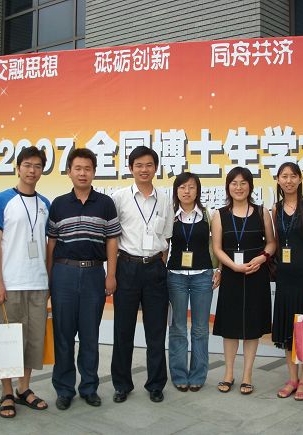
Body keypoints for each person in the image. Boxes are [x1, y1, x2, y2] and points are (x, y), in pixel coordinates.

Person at [47, 148, 121, 410]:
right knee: (63, 335)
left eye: (87, 168)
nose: (82, 173)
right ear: (69, 171)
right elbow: (51, 244)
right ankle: (64, 389)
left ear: (94, 172)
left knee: (90, 335)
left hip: (93, 274)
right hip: (63, 274)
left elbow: (112, 241)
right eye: (77, 168)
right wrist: (49, 278)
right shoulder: (58, 204)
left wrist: (111, 275)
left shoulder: (105, 203)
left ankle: (89, 387)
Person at [0, 146, 51, 418]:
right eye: (27, 165)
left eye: (37, 166)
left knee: (33, 340)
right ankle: (6, 392)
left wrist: (48, 279)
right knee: (7, 340)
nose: (32, 170)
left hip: (37, 283)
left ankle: (24, 389)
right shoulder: (2, 200)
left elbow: (48, 245)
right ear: (18, 168)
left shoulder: (45, 204)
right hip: (10, 283)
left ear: (42, 170)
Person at [110, 146, 174, 404]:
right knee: (122, 330)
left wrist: (158, 262)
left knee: (156, 332)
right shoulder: (119, 198)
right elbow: (112, 237)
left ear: (155, 168)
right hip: (127, 267)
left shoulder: (165, 198)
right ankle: (121, 385)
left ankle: (156, 384)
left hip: (155, 268)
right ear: (130, 168)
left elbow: (166, 236)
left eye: (149, 165)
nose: (144, 170)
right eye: (138, 165)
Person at [211, 166, 276, 395]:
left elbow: (271, 243)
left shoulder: (261, 212)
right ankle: (228, 373)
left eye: (243, 183)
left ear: (250, 186)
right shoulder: (219, 214)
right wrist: (232, 266)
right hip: (232, 275)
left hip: (256, 274)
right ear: (228, 187)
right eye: (234, 183)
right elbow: (217, 248)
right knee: (230, 327)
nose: (238, 187)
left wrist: (262, 257)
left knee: (252, 327)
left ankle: (247, 375)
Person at [271, 162, 303, 401]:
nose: (289, 180)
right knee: (287, 330)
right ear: (278, 180)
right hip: (285, 279)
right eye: (284, 176)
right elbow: (275, 242)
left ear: (300, 179)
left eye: (293, 176)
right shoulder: (276, 209)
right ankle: (292, 378)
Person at [167, 172, 221, 392]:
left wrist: (219, 269)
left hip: (202, 276)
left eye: (191, 187)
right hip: (175, 277)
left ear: (197, 190)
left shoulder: (209, 215)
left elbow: (218, 245)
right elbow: (163, 246)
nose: (186, 191)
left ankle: (198, 375)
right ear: (176, 191)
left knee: (200, 329)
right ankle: (179, 374)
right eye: (182, 187)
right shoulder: (170, 215)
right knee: (178, 328)